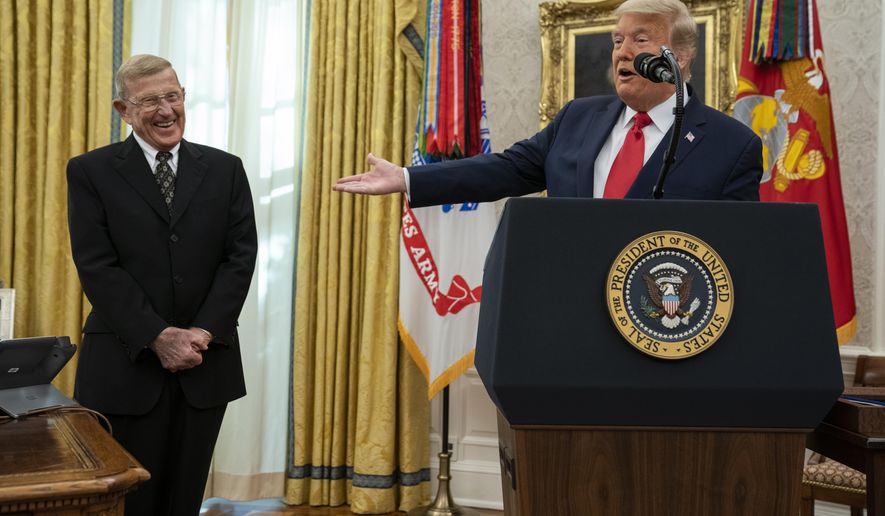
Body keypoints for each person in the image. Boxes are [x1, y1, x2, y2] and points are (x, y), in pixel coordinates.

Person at [66, 54, 257, 516]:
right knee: (128, 503)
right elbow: (97, 266)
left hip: (204, 362)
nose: (166, 110)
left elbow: (240, 259)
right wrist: (158, 335)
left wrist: (204, 331)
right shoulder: (90, 171)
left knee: (183, 500)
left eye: (172, 96)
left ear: (184, 97)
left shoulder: (226, 169)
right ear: (123, 110)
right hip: (125, 367)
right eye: (150, 100)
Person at [334, 0, 762, 204]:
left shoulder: (731, 146)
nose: (622, 52)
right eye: (617, 40)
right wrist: (410, 178)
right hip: (566, 320)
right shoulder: (579, 117)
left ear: (680, 57)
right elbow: (508, 168)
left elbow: (738, 257)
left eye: (640, 39)